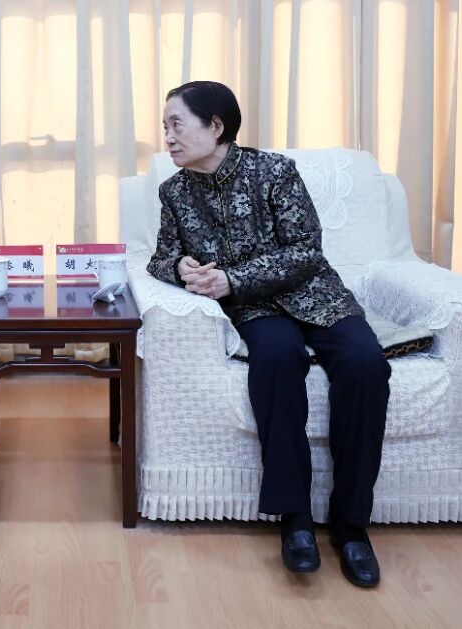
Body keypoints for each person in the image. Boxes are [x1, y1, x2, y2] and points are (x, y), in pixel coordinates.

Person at [147, 81, 390, 588]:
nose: (167, 136)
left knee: (366, 363)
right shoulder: (174, 191)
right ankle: (294, 518)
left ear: (216, 126)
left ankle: (351, 524)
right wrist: (182, 266)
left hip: (314, 294)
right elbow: (160, 256)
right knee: (276, 360)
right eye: (165, 126)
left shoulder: (274, 171)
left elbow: (306, 250)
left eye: (177, 124)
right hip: (256, 310)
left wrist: (231, 279)